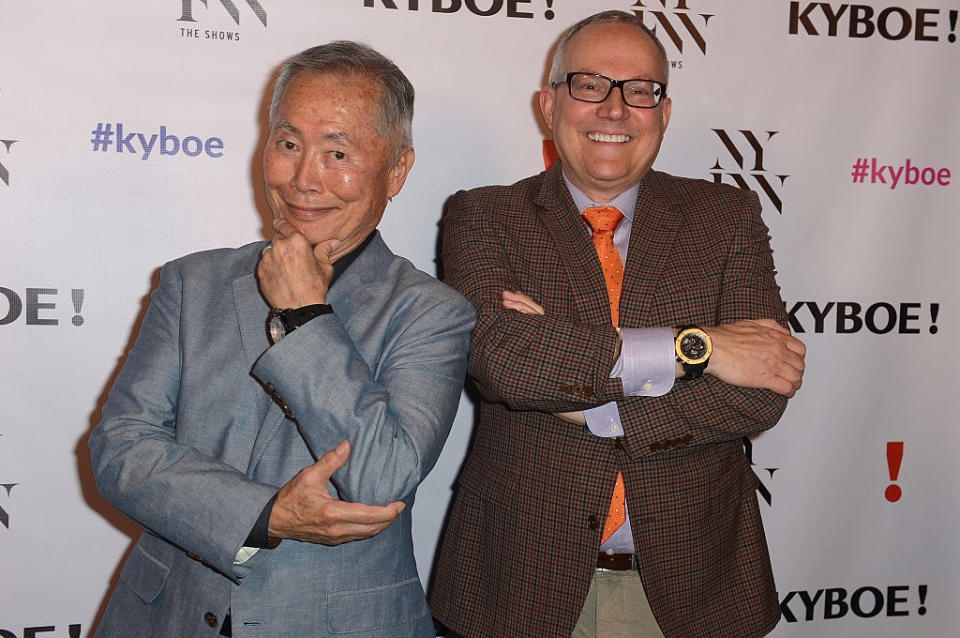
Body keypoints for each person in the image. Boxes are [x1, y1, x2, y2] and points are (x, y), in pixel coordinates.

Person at [429, 11, 805, 638]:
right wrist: (699, 349)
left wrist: (578, 389)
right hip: (518, 587)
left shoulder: (727, 216)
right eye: (589, 85)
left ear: (663, 111)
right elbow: (503, 360)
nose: (615, 109)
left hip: (695, 589)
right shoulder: (486, 216)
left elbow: (761, 389)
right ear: (548, 105)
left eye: (640, 90)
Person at [89, 41, 474, 638]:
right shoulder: (194, 283)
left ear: (397, 171)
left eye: (337, 152)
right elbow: (121, 448)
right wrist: (264, 517)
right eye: (288, 144)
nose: (303, 179)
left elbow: (378, 479)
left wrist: (304, 316)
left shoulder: (430, 312)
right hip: (170, 616)